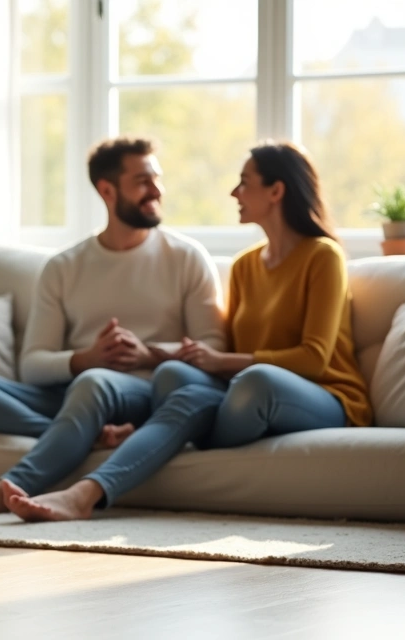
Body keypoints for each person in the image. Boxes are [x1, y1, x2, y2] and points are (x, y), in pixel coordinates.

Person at [0, 137, 226, 520]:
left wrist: (148, 353)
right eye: (143, 181)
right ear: (107, 190)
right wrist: (86, 358)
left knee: (95, 382)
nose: (156, 190)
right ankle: (79, 431)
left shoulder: (186, 257)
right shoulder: (65, 267)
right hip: (74, 393)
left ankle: (6, 487)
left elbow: (213, 345)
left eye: (157, 179)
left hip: (144, 391)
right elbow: (32, 365)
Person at [158, 141, 373, 449]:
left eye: (245, 182)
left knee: (258, 382)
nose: (235, 193)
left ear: (276, 191)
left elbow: (313, 359)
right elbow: (233, 351)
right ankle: (176, 436)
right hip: (246, 392)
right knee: (172, 376)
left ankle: (189, 443)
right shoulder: (244, 265)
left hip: (326, 396)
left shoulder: (324, 257)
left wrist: (221, 362)